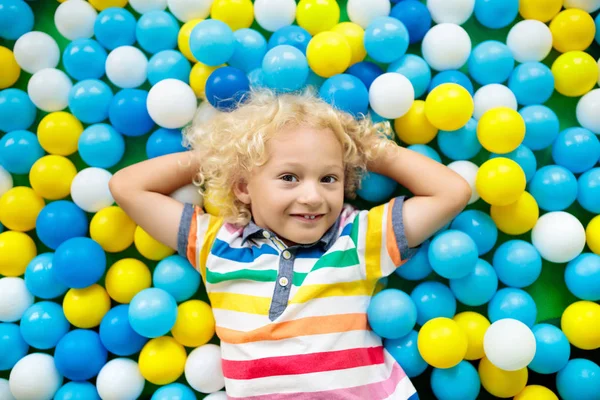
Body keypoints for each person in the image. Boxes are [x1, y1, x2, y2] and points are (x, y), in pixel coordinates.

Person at [109, 87, 472, 399]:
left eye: (329, 178)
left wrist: (366, 148)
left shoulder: (357, 239)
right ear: (243, 186)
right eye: (289, 177)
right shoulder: (216, 244)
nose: (312, 196)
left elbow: (452, 191)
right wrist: (220, 155)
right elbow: (126, 187)